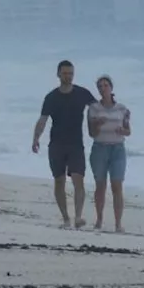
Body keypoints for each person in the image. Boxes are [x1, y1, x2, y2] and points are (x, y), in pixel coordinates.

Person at [32, 60, 97, 229]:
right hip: (56, 145)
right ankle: (66, 218)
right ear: (58, 74)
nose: (68, 76)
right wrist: (36, 139)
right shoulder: (52, 97)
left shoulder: (82, 93)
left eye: (71, 73)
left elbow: (98, 108)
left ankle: (78, 217)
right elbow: (42, 120)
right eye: (65, 73)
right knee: (59, 181)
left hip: (76, 144)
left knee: (78, 179)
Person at [87, 75, 131, 232]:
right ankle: (99, 220)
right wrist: (97, 125)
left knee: (117, 185)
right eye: (100, 86)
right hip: (100, 147)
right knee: (100, 186)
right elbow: (91, 133)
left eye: (105, 85)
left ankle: (118, 224)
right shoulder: (93, 109)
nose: (103, 88)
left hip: (118, 148)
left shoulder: (122, 109)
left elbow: (128, 131)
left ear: (111, 88)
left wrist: (122, 130)